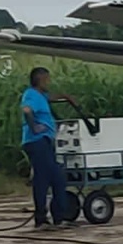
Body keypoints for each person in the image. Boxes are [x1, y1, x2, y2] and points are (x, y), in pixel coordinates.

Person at [21, 67, 75, 229]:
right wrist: (34, 127)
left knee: (57, 178)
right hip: (37, 142)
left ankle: (58, 218)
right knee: (44, 179)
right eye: (47, 79)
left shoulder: (41, 96)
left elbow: (50, 97)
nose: (49, 82)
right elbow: (26, 109)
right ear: (40, 79)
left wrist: (65, 97)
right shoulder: (31, 94)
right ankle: (42, 219)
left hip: (45, 142)